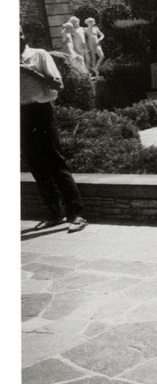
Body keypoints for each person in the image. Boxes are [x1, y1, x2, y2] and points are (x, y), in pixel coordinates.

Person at [20, 27, 88, 232]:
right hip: (20, 114)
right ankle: (55, 214)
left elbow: (58, 85)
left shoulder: (39, 55)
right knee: (36, 166)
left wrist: (27, 71)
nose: (17, 38)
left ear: (24, 35)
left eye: (19, 33)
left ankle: (77, 214)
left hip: (40, 112)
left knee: (55, 161)